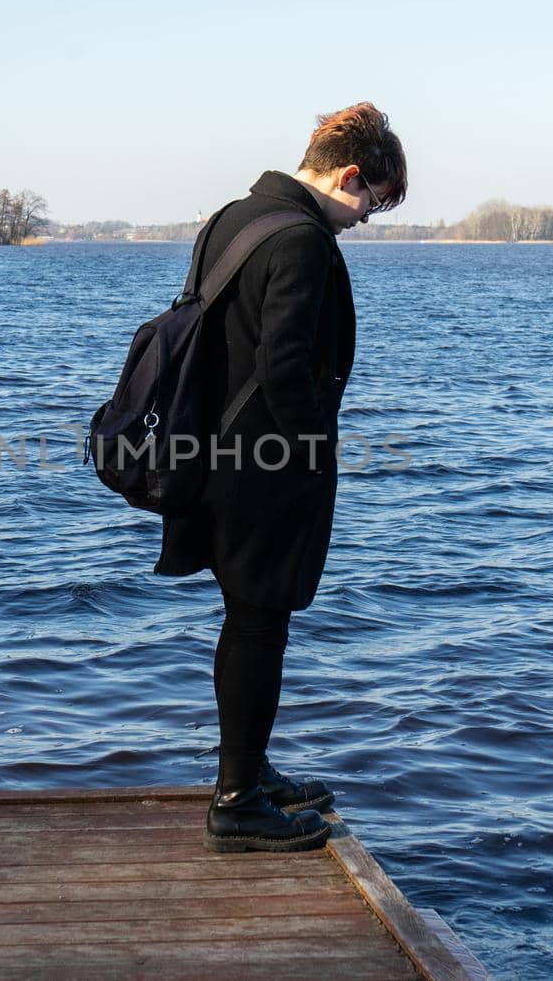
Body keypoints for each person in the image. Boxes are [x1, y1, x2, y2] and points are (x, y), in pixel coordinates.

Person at [155, 102, 407, 852]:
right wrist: (313, 458)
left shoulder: (232, 217)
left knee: (247, 619)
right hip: (266, 465)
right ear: (348, 173)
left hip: (216, 455)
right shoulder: (300, 239)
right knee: (262, 621)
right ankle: (237, 803)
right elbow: (286, 370)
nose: (365, 218)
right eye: (372, 199)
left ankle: (248, 772)